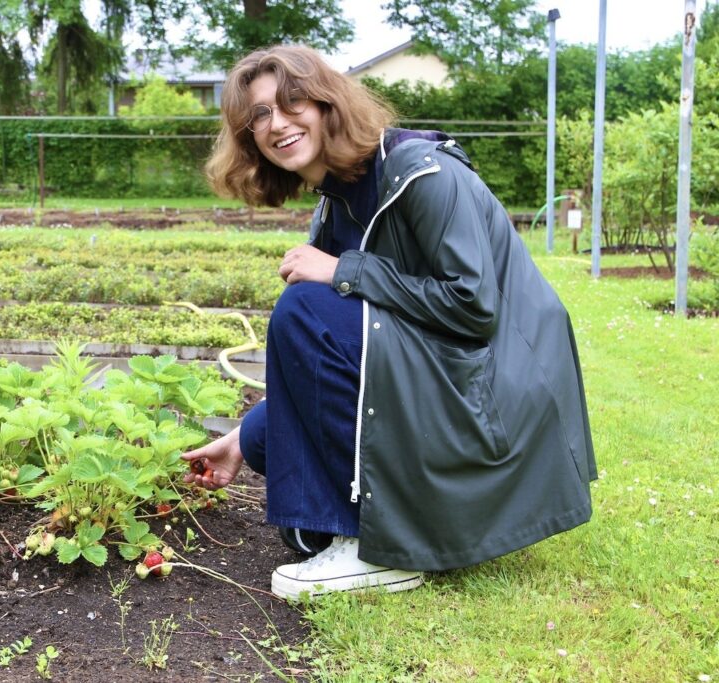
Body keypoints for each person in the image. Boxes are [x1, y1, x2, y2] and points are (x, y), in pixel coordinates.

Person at [182, 44, 597, 601]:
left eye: (292, 101)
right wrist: (239, 439)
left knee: (304, 308)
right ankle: (351, 526)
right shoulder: (336, 200)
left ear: (328, 104)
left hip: (492, 398)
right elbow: (344, 348)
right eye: (259, 114)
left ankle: (381, 552)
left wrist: (343, 269)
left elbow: (474, 308)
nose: (276, 123)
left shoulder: (423, 173)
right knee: (265, 445)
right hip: (439, 379)